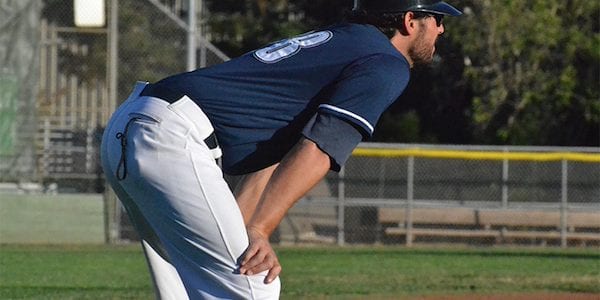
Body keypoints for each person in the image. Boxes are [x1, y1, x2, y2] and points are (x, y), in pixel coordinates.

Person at [100, 0, 462, 299]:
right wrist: (260, 229)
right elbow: (318, 148)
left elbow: (273, 148)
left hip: (134, 122)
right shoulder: (386, 63)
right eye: (438, 18)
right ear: (410, 20)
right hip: (170, 137)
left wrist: (247, 229)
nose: (442, 29)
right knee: (256, 286)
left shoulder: (343, 42)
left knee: (185, 288)